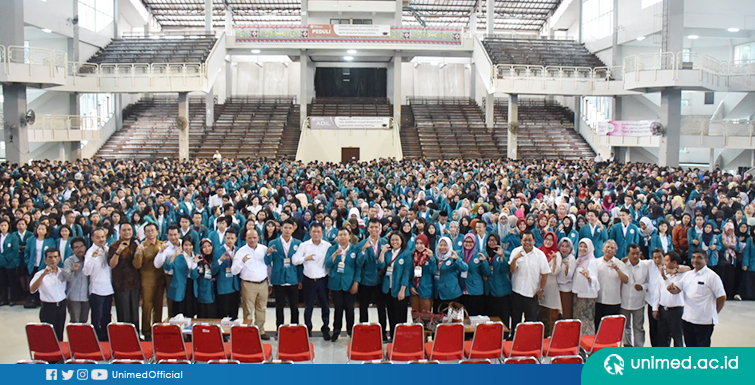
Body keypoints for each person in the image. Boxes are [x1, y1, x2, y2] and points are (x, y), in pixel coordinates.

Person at [667, 249, 727, 347]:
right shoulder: (688, 275)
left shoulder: (712, 276)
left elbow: (721, 297)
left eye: (699, 258)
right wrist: (671, 289)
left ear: (706, 260)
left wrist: (714, 312)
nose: (695, 260)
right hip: (687, 320)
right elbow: (677, 290)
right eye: (693, 257)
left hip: (704, 322)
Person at [292, 222, 332, 339]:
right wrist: (305, 258)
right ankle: (308, 328)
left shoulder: (327, 246)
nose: (316, 234)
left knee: (325, 306)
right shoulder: (304, 245)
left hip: (323, 280)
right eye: (314, 231)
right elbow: (294, 260)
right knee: (308, 306)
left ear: (322, 233)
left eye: (318, 232)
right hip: (308, 280)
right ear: (310, 233)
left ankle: (325, 328)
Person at [509, 231, 550, 332]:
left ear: (534, 241)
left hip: (532, 293)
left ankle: (529, 342)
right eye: (525, 240)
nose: (527, 242)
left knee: (531, 321)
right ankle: (514, 340)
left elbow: (545, 274)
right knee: (515, 319)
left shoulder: (540, 255)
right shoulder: (515, 251)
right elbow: (512, 271)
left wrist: (541, 289)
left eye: (530, 240)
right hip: (517, 291)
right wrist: (514, 259)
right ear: (521, 241)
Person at [265, 219, 302, 329]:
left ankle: (294, 328)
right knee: (279, 306)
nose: (287, 230)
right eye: (285, 227)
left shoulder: (298, 243)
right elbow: (267, 262)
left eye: (290, 228)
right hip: (278, 278)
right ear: (281, 228)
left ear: (293, 229)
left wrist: (300, 279)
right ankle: (279, 328)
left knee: (294, 306)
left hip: (293, 278)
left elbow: (300, 264)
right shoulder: (273, 243)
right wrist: (268, 253)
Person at [325, 228, 359, 341]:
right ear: (337, 237)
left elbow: (358, 268)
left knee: (350, 308)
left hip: (350, 283)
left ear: (349, 236)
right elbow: (328, 264)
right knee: (338, 308)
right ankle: (336, 331)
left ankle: (350, 330)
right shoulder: (332, 248)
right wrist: (334, 255)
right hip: (336, 283)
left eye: (345, 235)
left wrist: (356, 282)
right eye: (340, 235)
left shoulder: (355, 249)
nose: (343, 237)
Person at [133, 223, 165, 340]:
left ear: (157, 232)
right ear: (144, 233)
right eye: (148, 231)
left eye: (152, 231)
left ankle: (157, 329)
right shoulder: (142, 246)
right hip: (147, 280)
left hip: (160, 280)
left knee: (159, 306)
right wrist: (138, 253)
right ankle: (146, 332)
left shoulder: (162, 245)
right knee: (147, 306)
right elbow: (137, 265)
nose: (150, 233)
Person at [82, 228, 114, 341]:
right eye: (98, 237)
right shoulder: (90, 252)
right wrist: (92, 259)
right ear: (92, 238)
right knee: (97, 317)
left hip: (108, 288)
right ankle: (96, 339)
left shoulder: (107, 249)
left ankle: (106, 338)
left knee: (107, 316)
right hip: (96, 290)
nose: (101, 239)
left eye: (103, 237)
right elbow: (86, 272)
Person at [378, 232, 411, 340]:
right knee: (391, 314)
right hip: (388, 288)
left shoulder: (406, 254)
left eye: (397, 240)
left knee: (400, 315)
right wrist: (382, 252)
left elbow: (407, 273)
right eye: (393, 240)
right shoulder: (388, 253)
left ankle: (400, 338)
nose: (395, 242)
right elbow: (381, 265)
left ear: (401, 241)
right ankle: (392, 336)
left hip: (400, 289)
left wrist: (402, 289)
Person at [108, 222, 140, 330]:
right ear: (120, 232)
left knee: (134, 312)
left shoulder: (135, 245)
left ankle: (136, 335)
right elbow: (111, 265)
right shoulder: (114, 246)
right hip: (120, 283)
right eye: (124, 230)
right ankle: (124, 336)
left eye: (129, 230)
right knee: (123, 312)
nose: (127, 232)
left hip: (134, 283)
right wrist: (118, 252)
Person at [29, 249, 67, 341]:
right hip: (48, 307)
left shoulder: (63, 272)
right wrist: (43, 275)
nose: (53, 260)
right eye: (50, 257)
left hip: (61, 306)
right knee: (49, 335)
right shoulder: (39, 274)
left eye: (55, 257)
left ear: (59, 259)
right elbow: (32, 289)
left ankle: (60, 353)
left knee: (60, 332)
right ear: (45, 260)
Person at [355, 218, 387, 327]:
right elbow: (358, 264)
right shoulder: (361, 244)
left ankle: (382, 331)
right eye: (372, 227)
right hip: (365, 280)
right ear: (368, 229)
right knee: (363, 307)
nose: (374, 230)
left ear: (380, 229)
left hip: (380, 281)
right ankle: (364, 330)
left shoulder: (385, 243)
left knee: (381, 308)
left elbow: (387, 262)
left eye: (376, 227)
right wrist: (363, 250)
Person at [652, 251, 686, 347]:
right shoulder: (662, 274)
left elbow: (672, 289)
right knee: (662, 338)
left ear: (674, 263)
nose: (664, 263)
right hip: (663, 310)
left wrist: (666, 275)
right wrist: (655, 308)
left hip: (676, 311)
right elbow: (657, 292)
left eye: (666, 261)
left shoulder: (682, 275)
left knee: (677, 337)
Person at [620, 244, 649, 347]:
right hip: (624, 301)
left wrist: (642, 286)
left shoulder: (645, 266)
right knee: (625, 327)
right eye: (633, 254)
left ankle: (639, 348)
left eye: (637, 253)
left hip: (639, 302)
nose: (635, 256)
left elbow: (649, 283)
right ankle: (628, 347)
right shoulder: (622, 265)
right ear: (628, 254)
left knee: (639, 327)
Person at [164, 236, 199, 317]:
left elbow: (196, 275)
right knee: (179, 313)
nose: (188, 247)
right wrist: (174, 256)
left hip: (192, 286)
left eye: (190, 245)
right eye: (185, 245)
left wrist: (194, 263)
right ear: (182, 246)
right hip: (180, 286)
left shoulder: (196, 256)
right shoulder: (177, 257)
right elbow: (167, 268)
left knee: (191, 312)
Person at [484, 233, 512, 332]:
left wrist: (501, 257)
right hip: (489, 290)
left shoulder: (505, 254)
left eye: (494, 240)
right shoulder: (484, 253)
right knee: (491, 316)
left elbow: (505, 270)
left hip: (502, 289)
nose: (492, 242)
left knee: (503, 316)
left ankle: (504, 336)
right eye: (490, 240)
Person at [24, 223, 56, 308]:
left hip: (44, 266)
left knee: (44, 283)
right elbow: (27, 252)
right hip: (33, 265)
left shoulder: (50, 240)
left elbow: (53, 253)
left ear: (46, 231)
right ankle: (34, 300)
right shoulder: (31, 239)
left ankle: (42, 300)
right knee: (34, 282)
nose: (40, 231)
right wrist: (28, 261)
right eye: (39, 229)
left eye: (43, 229)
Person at [154, 225, 183, 317]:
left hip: (183, 276)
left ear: (179, 234)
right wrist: (161, 251)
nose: (173, 237)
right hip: (171, 278)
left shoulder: (185, 244)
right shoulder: (165, 247)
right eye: (170, 235)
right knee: (172, 302)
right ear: (167, 235)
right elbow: (157, 265)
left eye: (175, 234)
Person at [434, 236, 468, 313]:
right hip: (438, 293)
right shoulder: (436, 257)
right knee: (439, 319)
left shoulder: (453, 257)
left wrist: (457, 259)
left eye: (445, 245)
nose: (442, 247)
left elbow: (465, 268)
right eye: (441, 245)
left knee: (452, 321)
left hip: (451, 293)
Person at [572, 239, 599, 335]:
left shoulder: (591, 261)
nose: (582, 249)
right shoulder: (579, 260)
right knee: (578, 320)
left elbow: (595, 279)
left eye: (585, 247)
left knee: (586, 321)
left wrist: (589, 277)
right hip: (577, 295)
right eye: (581, 246)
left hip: (587, 297)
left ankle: (587, 345)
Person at [59, 237, 89, 323]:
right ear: (72, 250)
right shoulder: (69, 261)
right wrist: (72, 270)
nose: (80, 249)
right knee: (75, 321)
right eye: (76, 247)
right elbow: (66, 277)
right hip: (73, 296)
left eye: (81, 246)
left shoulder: (88, 260)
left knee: (84, 320)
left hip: (86, 296)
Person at [214, 228, 240, 319]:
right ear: (224, 238)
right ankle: (223, 333)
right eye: (228, 238)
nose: (230, 240)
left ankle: (233, 333)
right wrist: (220, 260)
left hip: (235, 286)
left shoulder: (238, 250)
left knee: (234, 314)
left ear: (236, 239)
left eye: (232, 238)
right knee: (223, 313)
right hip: (223, 286)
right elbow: (213, 270)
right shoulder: (218, 251)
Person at [409, 234, 435, 313]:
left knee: (425, 316)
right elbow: (409, 273)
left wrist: (431, 259)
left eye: (421, 243)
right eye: (417, 243)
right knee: (415, 315)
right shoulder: (412, 255)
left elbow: (433, 271)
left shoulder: (429, 256)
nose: (419, 246)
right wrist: (410, 286)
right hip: (414, 289)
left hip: (426, 289)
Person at [0, 219, 21, 306]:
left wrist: (5, 259)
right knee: (2, 281)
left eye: (5, 225)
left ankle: (13, 299)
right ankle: (4, 299)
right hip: (1, 263)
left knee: (11, 281)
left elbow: (15, 249)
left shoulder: (13, 237)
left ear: (8, 226)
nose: (3, 227)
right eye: (1, 225)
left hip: (10, 263)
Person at [195, 239, 217, 318]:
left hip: (216, 291)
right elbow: (195, 275)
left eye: (209, 246)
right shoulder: (199, 260)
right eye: (204, 247)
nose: (207, 249)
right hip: (204, 292)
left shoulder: (215, 258)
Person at [556, 238, 576, 320]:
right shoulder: (558, 256)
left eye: (567, 247)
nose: (564, 249)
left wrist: (567, 267)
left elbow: (568, 276)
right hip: (557, 288)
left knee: (566, 313)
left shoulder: (571, 258)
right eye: (562, 246)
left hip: (566, 289)